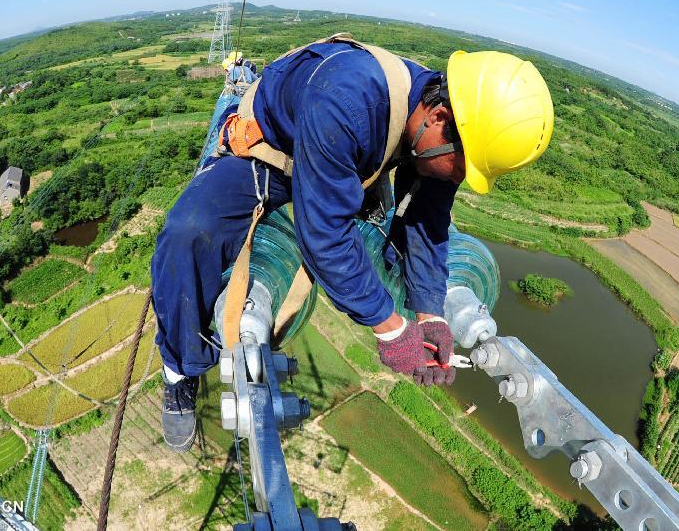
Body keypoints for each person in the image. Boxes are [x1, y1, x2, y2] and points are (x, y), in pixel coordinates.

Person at [151, 37, 554, 452]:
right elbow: (322, 235)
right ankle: (179, 369)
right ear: (439, 117)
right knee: (188, 231)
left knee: (391, 232)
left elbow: (427, 223)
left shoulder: (437, 128)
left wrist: (431, 313)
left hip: (342, 164)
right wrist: (391, 329)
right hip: (271, 151)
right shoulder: (348, 101)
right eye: (462, 167)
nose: (459, 179)